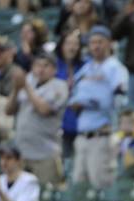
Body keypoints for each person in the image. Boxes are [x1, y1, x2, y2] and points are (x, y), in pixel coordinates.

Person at [69, 25, 128, 189]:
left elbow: (120, 100)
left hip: (102, 137)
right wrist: (76, 103)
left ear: (109, 43)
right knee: (79, 189)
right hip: (82, 137)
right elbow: (74, 95)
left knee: (101, 187)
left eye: (100, 42)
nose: (95, 46)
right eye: (92, 42)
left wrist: (92, 102)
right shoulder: (86, 69)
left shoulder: (115, 68)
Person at [6, 52, 68, 186]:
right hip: (22, 153)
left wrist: (26, 87)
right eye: (37, 65)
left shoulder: (59, 86)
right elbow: (8, 111)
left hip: (45, 155)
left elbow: (44, 110)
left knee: (46, 197)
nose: (41, 69)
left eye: (46, 66)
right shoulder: (28, 81)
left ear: (54, 70)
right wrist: (16, 89)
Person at [55, 29, 86, 157]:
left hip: (82, 125)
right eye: (68, 43)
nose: (72, 48)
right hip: (58, 124)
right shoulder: (53, 67)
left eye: (75, 44)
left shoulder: (86, 66)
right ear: (61, 46)